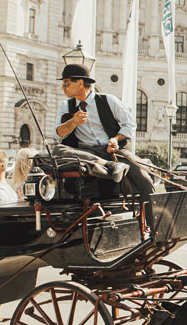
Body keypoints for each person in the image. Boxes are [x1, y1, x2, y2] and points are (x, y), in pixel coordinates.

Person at [53, 63, 153, 214]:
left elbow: (130, 124)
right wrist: (73, 122)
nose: (63, 87)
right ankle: (111, 166)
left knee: (145, 181)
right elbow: (58, 133)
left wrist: (115, 139)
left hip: (112, 150)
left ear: (80, 83)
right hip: (86, 154)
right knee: (58, 149)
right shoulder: (65, 106)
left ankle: (153, 226)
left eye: (66, 83)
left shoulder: (109, 100)